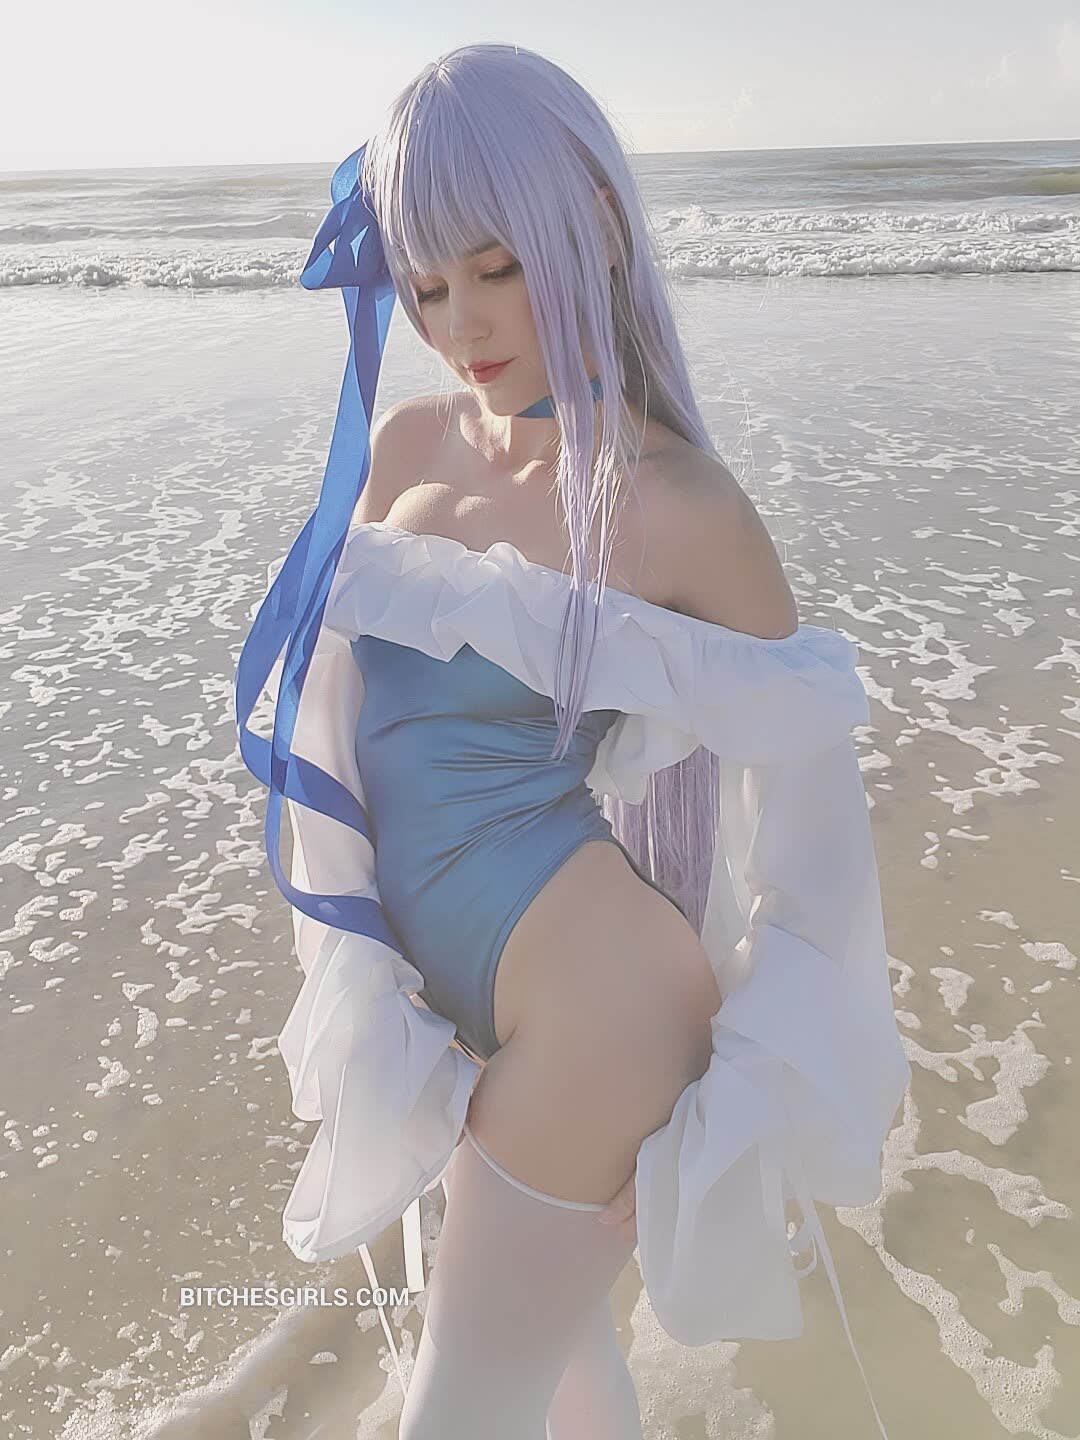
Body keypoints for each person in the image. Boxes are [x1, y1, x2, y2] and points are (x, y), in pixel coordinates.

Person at [235, 42, 911, 1440]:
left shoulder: (680, 506)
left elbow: (815, 854)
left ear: (595, 226)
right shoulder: (405, 446)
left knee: (455, 1409)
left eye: (498, 267)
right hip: (444, 990)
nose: (463, 322)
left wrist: (728, 1095)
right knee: (562, 1373)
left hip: (600, 1008)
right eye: (428, 283)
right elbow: (348, 733)